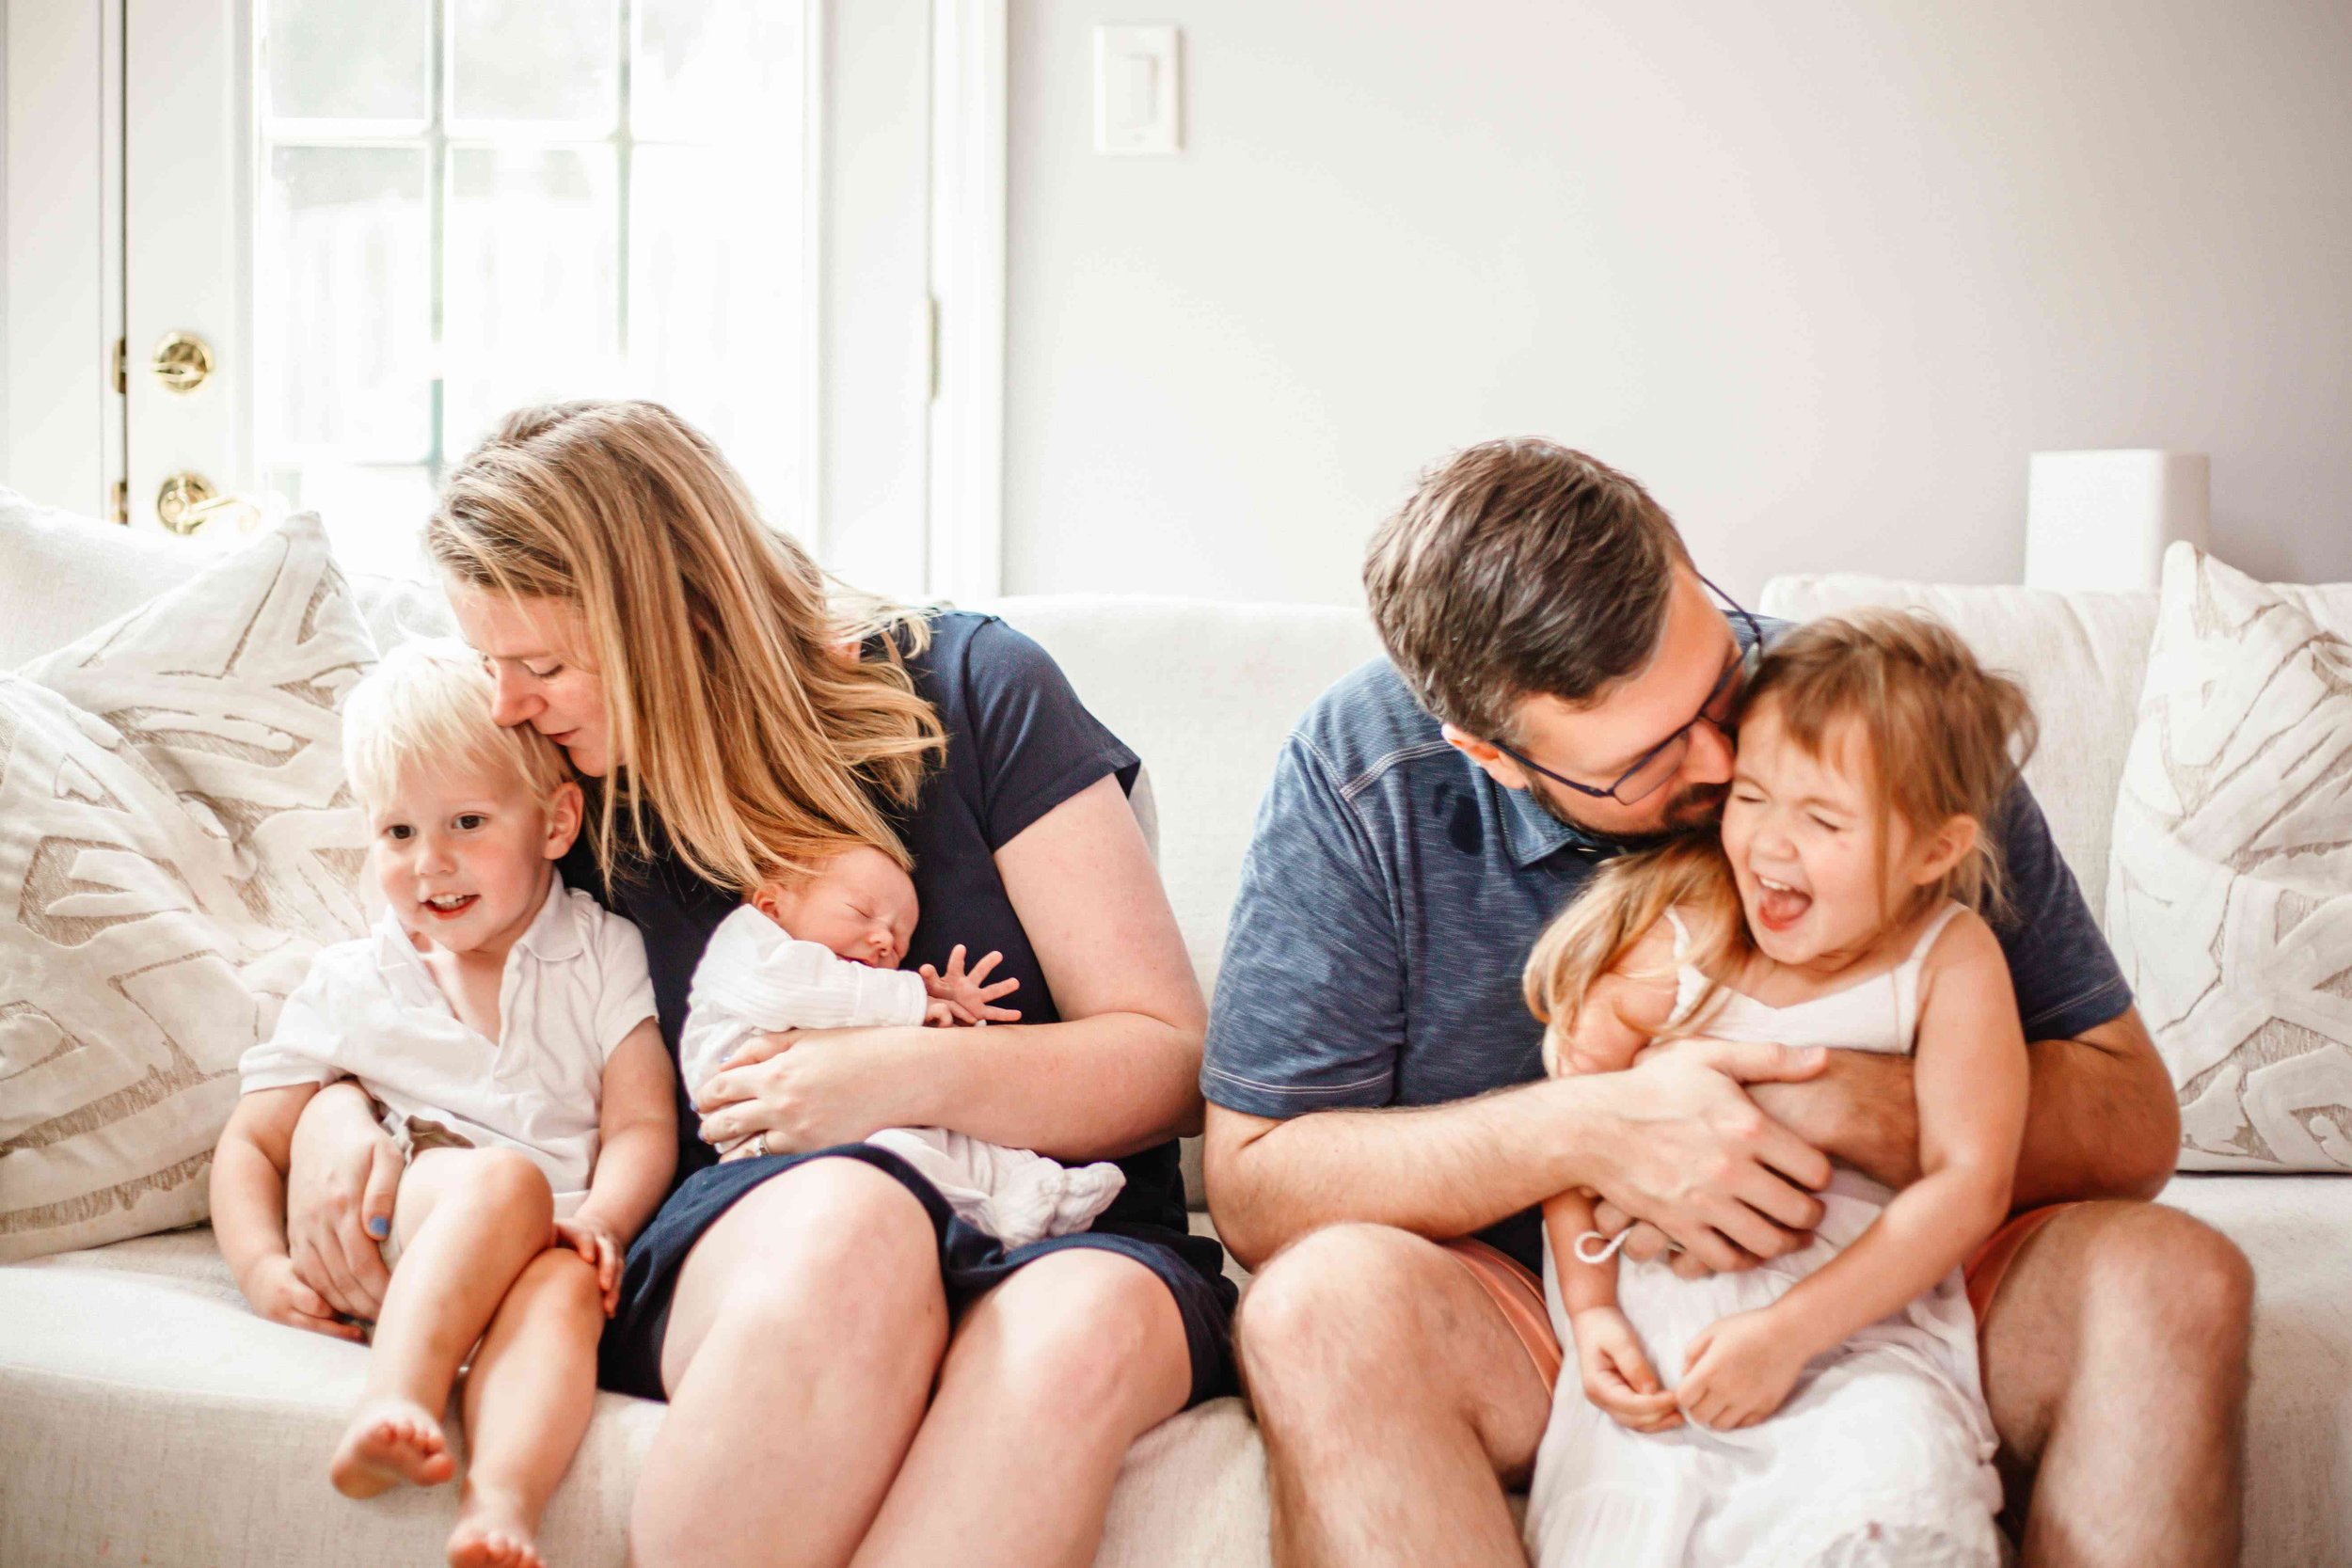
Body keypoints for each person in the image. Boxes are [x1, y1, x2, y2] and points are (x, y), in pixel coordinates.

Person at [1204, 439, 2250, 1567]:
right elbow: (1261, 1183)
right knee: (1314, 1308)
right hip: (1550, 1311)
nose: (1718, 760)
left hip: (1898, 1284)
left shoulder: (1874, 725)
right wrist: (1597, 1127)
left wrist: (1830, 1102)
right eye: (1646, 757)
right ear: (1491, 756)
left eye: (1717, 676)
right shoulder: (1366, 773)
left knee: (2170, 1278)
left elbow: (2132, 1118)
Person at [275, 399, 1233, 1568]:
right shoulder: (581, 783)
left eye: (541, 664)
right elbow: (415, 960)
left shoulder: (979, 688)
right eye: (490, 664)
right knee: (854, 1219)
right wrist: (327, 1108)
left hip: (1075, 1226)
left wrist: (895, 1072)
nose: (507, 702)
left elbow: (1166, 1058)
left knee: (1074, 1332)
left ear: (673, 620)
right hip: (760, 1225)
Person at [1521, 610, 2036, 1566]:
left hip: (1858, 1341)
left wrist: (1789, 1332)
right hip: (1662, 1350)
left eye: (1824, 817)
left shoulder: (1945, 959)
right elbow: (1567, 1128)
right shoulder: (1681, 939)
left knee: (1889, 1494)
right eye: (1751, 795)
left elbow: (1969, 1180)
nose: (1768, 844)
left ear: (1933, 848)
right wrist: (1590, 1309)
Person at [211, 640, 676, 1568]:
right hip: (404, 1226)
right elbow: (249, 1145)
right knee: (504, 1182)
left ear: (554, 820)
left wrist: (603, 1221)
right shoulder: (357, 977)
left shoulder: (602, 952)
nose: (430, 863)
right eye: (398, 833)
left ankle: (499, 1503)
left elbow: (641, 1121)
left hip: (546, 1232)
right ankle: (395, 1399)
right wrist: (262, 1266)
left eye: (465, 821)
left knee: (565, 1286)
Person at [683, 843, 1128, 1246]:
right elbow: (794, 991)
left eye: (900, 941)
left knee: (943, 1134)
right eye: (861, 913)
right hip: (771, 1141)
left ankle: (1032, 1185)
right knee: (899, 1161)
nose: (883, 942)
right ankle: (987, 1221)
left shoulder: (859, 989)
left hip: (852, 1110)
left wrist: (950, 1015)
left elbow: (891, 1051)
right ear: (771, 904)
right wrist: (916, 997)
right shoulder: (749, 946)